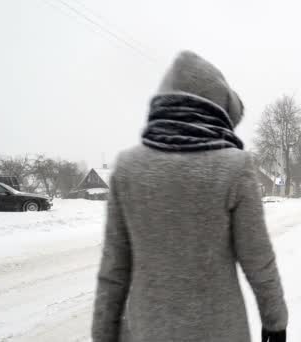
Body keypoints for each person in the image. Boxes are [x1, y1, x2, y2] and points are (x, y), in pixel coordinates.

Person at [91, 51, 288, 342]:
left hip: (146, 331)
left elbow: (114, 270)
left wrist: (103, 333)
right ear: (218, 110)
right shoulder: (235, 167)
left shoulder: (127, 169)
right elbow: (258, 260)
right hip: (220, 331)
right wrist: (275, 321)